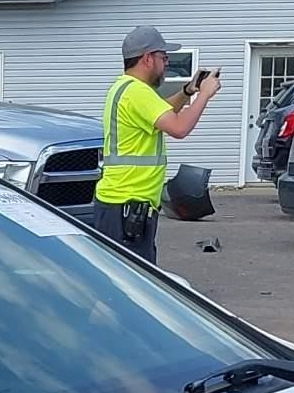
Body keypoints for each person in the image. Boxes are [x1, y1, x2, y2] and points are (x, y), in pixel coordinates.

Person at [94, 25, 219, 263]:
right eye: (163, 57)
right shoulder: (138, 93)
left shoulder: (125, 88)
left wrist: (187, 91)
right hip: (127, 205)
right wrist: (204, 94)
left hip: (121, 205)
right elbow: (179, 127)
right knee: (133, 284)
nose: (167, 63)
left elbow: (164, 114)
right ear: (148, 58)